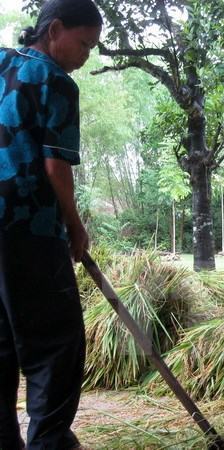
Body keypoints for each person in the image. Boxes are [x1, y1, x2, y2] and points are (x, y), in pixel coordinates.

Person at [0, 0, 102, 448]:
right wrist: (75, 227)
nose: (85, 56)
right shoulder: (57, 83)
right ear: (54, 29)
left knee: (2, 342)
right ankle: (50, 442)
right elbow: (56, 167)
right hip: (28, 231)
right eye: (83, 44)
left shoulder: (1, 61)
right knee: (57, 344)